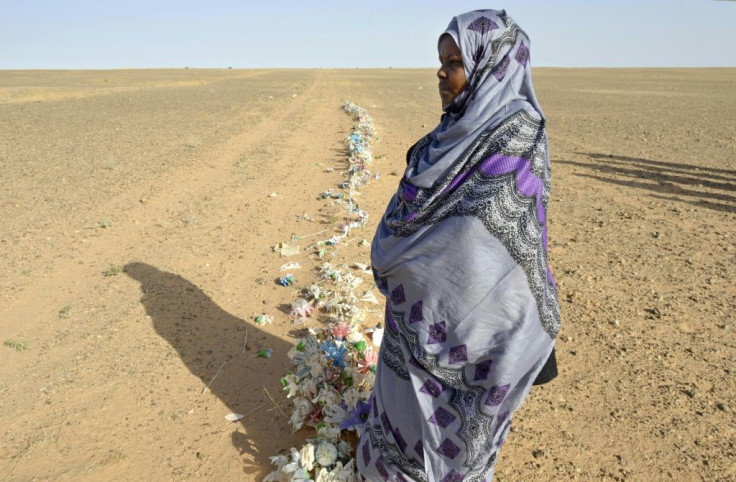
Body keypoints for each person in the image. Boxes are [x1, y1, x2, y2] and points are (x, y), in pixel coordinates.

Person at [358, 9, 560, 481]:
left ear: (490, 66)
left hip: (472, 324)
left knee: (454, 446)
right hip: (414, 318)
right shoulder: (443, 136)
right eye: (441, 61)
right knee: (403, 421)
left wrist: (421, 266)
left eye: (454, 61)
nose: (441, 72)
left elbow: (489, 240)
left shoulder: (518, 134)